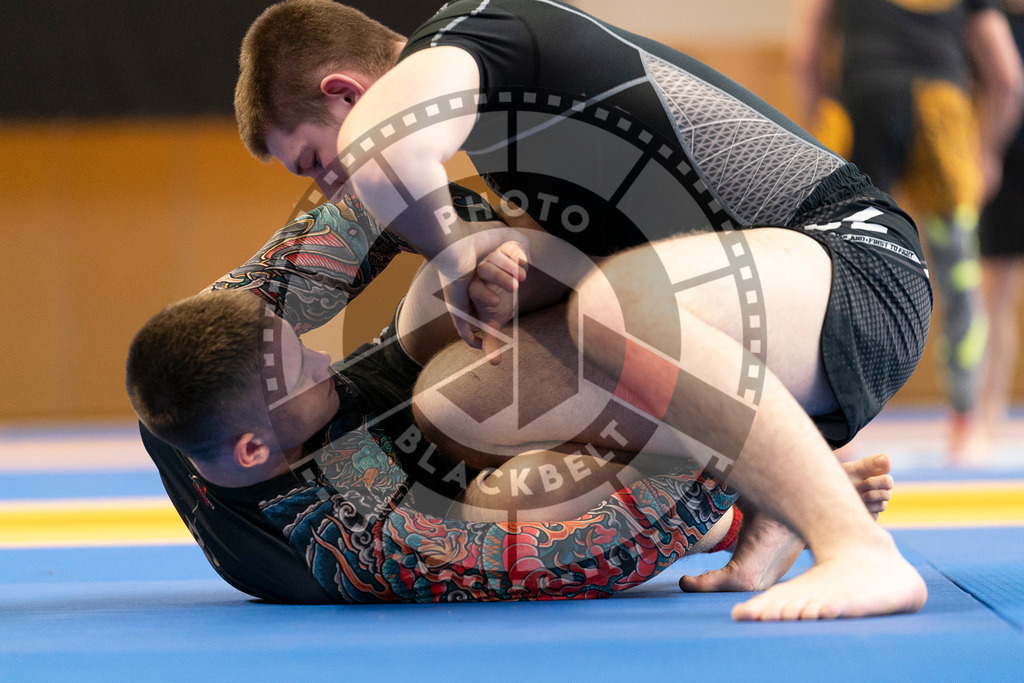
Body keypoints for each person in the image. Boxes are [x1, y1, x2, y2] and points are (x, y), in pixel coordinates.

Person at [232, 0, 928, 620]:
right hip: (762, 304)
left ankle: (861, 548)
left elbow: (382, 150)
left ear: (344, 90)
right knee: (458, 400)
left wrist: (448, 254)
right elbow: (608, 257)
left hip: (857, 263)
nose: (329, 187)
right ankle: (765, 503)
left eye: (313, 162)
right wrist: (504, 274)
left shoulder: (473, 27)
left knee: (610, 309)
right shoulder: (498, 127)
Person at [127, 190, 895, 603]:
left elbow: (366, 203)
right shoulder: (344, 544)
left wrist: (475, 244)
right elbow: (565, 556)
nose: (317, 354)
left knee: (440, 295)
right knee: (465, 424)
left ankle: (633, 276)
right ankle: (752, 503)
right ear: (255, 448)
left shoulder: (204, 354)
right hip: (448, 493)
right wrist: (761, 473)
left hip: (400, 398)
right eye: (301, 372)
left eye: (298, 338)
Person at [791, 0, 1024, 460]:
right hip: (941, 113)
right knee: (959, 277)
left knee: (845, 271)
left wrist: (815, 122)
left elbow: (804, 55)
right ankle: (966, 425)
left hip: (863, 110)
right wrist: (988, 153)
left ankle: (835, 429)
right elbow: (1008, 79)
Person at [978, 0, 1024, 463]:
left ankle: (990, 408)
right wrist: (986, 150)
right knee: (997, 297)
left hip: (1003, 162)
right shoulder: (987, 17)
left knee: (997, 300)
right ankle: (990, 407)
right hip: (1006, 169)